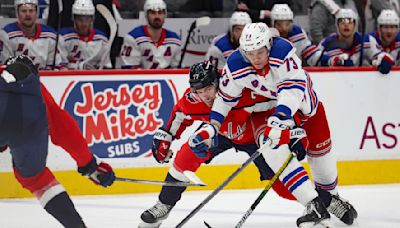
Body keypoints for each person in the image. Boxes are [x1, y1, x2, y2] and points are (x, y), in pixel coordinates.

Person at [189, 23, 358, 227]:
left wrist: (282, 119)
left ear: (269, 46)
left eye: (260, 52)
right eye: (250, 53)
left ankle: (331, 198)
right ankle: (314, 205)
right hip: (272, 112)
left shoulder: (283, 53)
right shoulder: (235, 64)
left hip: (305, 110)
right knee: (272, 148)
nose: (256, 58)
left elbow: (292, 90)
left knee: (321, 160)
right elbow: (224, 100)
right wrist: (212, 126)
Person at [139, 61, 304, 227]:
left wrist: (292, 130)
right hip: (217, 132)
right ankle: (163, 205)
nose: (206, 96)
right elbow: (180, 114)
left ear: (218, 82)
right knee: (186, 155)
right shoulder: (194, 100)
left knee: (283, 184)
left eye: (209, 89)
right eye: (200, 91)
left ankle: (318, 202)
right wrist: (166, 136)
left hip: (254, 136)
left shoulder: (242, 90)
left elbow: (282, 101)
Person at [0, 55, 115, 227]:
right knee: (37, 179)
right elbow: (65, 131)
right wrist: (89, 164)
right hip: (28, 117)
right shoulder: (35, 89)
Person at [319, 8, 395, 74]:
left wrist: (384, 60)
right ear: (337, 25)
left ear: (355, 25)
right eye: (342, 21)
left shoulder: (366, 40)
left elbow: (380, 54)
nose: (346, 25)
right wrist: (335, 62)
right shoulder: (327, 43)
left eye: (350, 21)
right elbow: (317, 62)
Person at [0, 0, 66, 70]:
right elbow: (5, 66)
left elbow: (55, 67)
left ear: (37, 13)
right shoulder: (6, 35)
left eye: (31, 11)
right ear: (17, 13)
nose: (28, 14)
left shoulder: (50, 36)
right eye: (24, 11)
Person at [120, 0, 182, 69]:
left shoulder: (175, 40)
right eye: (153, 13)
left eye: (160, 12)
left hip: (166, 79)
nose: (157, 16)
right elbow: (129, 69)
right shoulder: (133, 38)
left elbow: (177, 70)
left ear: (165, 15)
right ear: (146, 15)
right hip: (141, 79)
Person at [59, 0, 112, 70]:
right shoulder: (63, 38)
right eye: (80, 20)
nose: (84, 24)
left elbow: (106, 68)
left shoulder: (102, 40)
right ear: (73, 19)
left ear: (92, 19)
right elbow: (60, 68)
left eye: (87, 19)